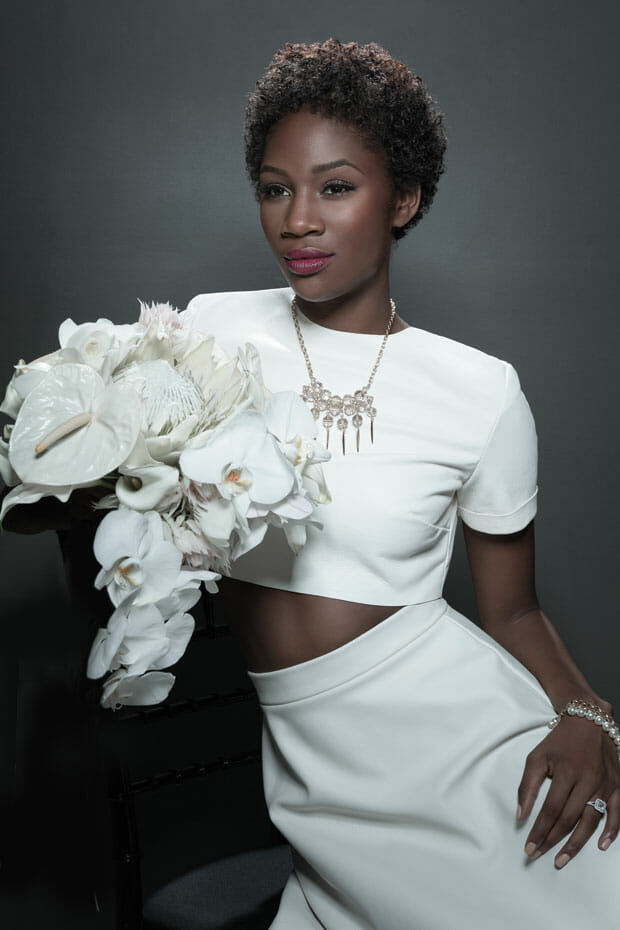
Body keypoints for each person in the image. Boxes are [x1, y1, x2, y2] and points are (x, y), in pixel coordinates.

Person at [3, 38, 619, 929]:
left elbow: (512, 613)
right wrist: (47, 462)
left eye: (336, 186)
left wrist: (589, 715)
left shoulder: (481, 391)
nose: (298, 219)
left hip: (464, 743)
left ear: (402, 198)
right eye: (274, 187)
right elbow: (54, 499)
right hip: (322, 776)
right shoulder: (207, 334)